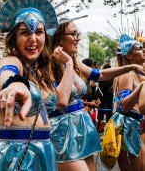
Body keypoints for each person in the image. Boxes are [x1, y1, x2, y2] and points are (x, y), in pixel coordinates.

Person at [49, 18, 145, 171]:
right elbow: (61, 100)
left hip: (81, 127)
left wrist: (130, 67)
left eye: (78, 33)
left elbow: (99, 74)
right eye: (73, 34)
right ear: (59, 37)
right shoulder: (49, 64)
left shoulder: (74, 62)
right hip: (63, 131)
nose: (78, 38)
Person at [0, 0, 73, 170]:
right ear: (14, 38)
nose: (33, 39)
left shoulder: (38, 73)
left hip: (45, 151)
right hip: (18, 155)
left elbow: (61, 101)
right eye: (25, 32)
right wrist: (15, 85)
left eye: (39, 32)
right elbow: (7, 75)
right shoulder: (10, 60)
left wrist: (69, 63)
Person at [111, 34, 145, 171]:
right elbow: (124, 104)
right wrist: (142, 86)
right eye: (139, 48)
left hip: (136, 126)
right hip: (127, 128)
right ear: (128, 56)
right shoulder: (127, 74)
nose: (143, 50)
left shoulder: (137, 74)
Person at [97, 64, 114, 131]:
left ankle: (100, 128)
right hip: (108, 99)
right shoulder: (112, 77)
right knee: (108, 116)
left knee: (101, 115)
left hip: (102, 98)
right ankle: (107, 129)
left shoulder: (101, 77)